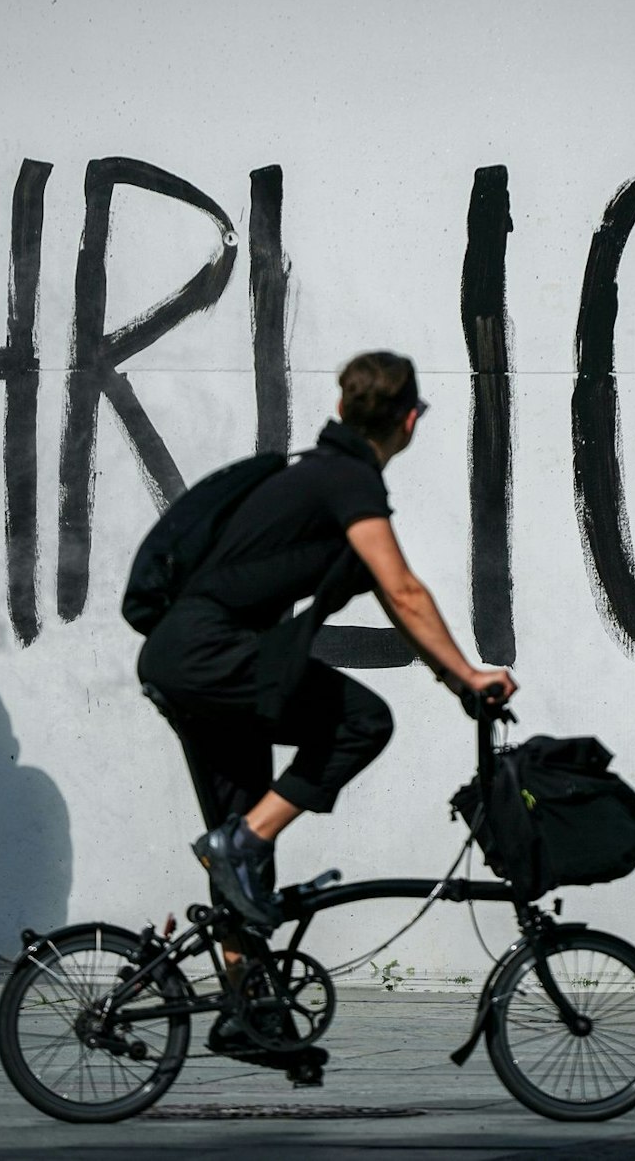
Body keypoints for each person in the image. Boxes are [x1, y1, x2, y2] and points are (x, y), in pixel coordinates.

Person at [137, 351, 517, 931]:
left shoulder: (315, 475)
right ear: (409, 420)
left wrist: (453, 683)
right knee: (363, 722)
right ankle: (243, 841)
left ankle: (243, 1016)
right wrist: (471, 675)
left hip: (187, 658)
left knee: (243, 882)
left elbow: (394, 604)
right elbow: (407, 592)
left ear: (341, 406)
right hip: (211, 655)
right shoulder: (347, 480)